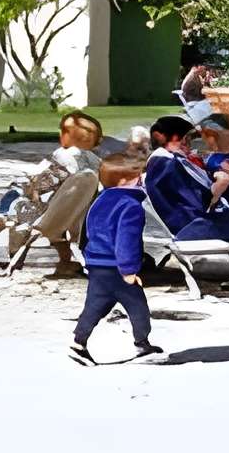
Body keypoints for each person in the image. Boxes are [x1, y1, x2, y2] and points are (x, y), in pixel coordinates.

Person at [68, 154, 167, 367]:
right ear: (123, 182)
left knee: (95, 306)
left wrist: (87, 257)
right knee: (137, 306)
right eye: (137, 177)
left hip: (96, 263)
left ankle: (78, 342)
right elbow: (126, 240)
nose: (141, 179)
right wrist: (129, 270)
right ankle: (142, 344)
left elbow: (87, 230)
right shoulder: (130, 205)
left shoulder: (99, 200)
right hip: (117, 267)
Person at [0, 112, 106, 257]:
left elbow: (39, 185)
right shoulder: (96, 164)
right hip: (69, 219)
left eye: (64, 131)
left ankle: (1, 230)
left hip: (43, 219)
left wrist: (30, 187)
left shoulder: (67, 156)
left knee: (14, 197)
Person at [142, 115, 229, 267]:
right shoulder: (166, 164)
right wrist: (221, 184)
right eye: (186, 138)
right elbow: (197, 204)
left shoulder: (171, 161)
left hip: (197, 221)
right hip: (193, 226)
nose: (189, 143)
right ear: (175, 138)